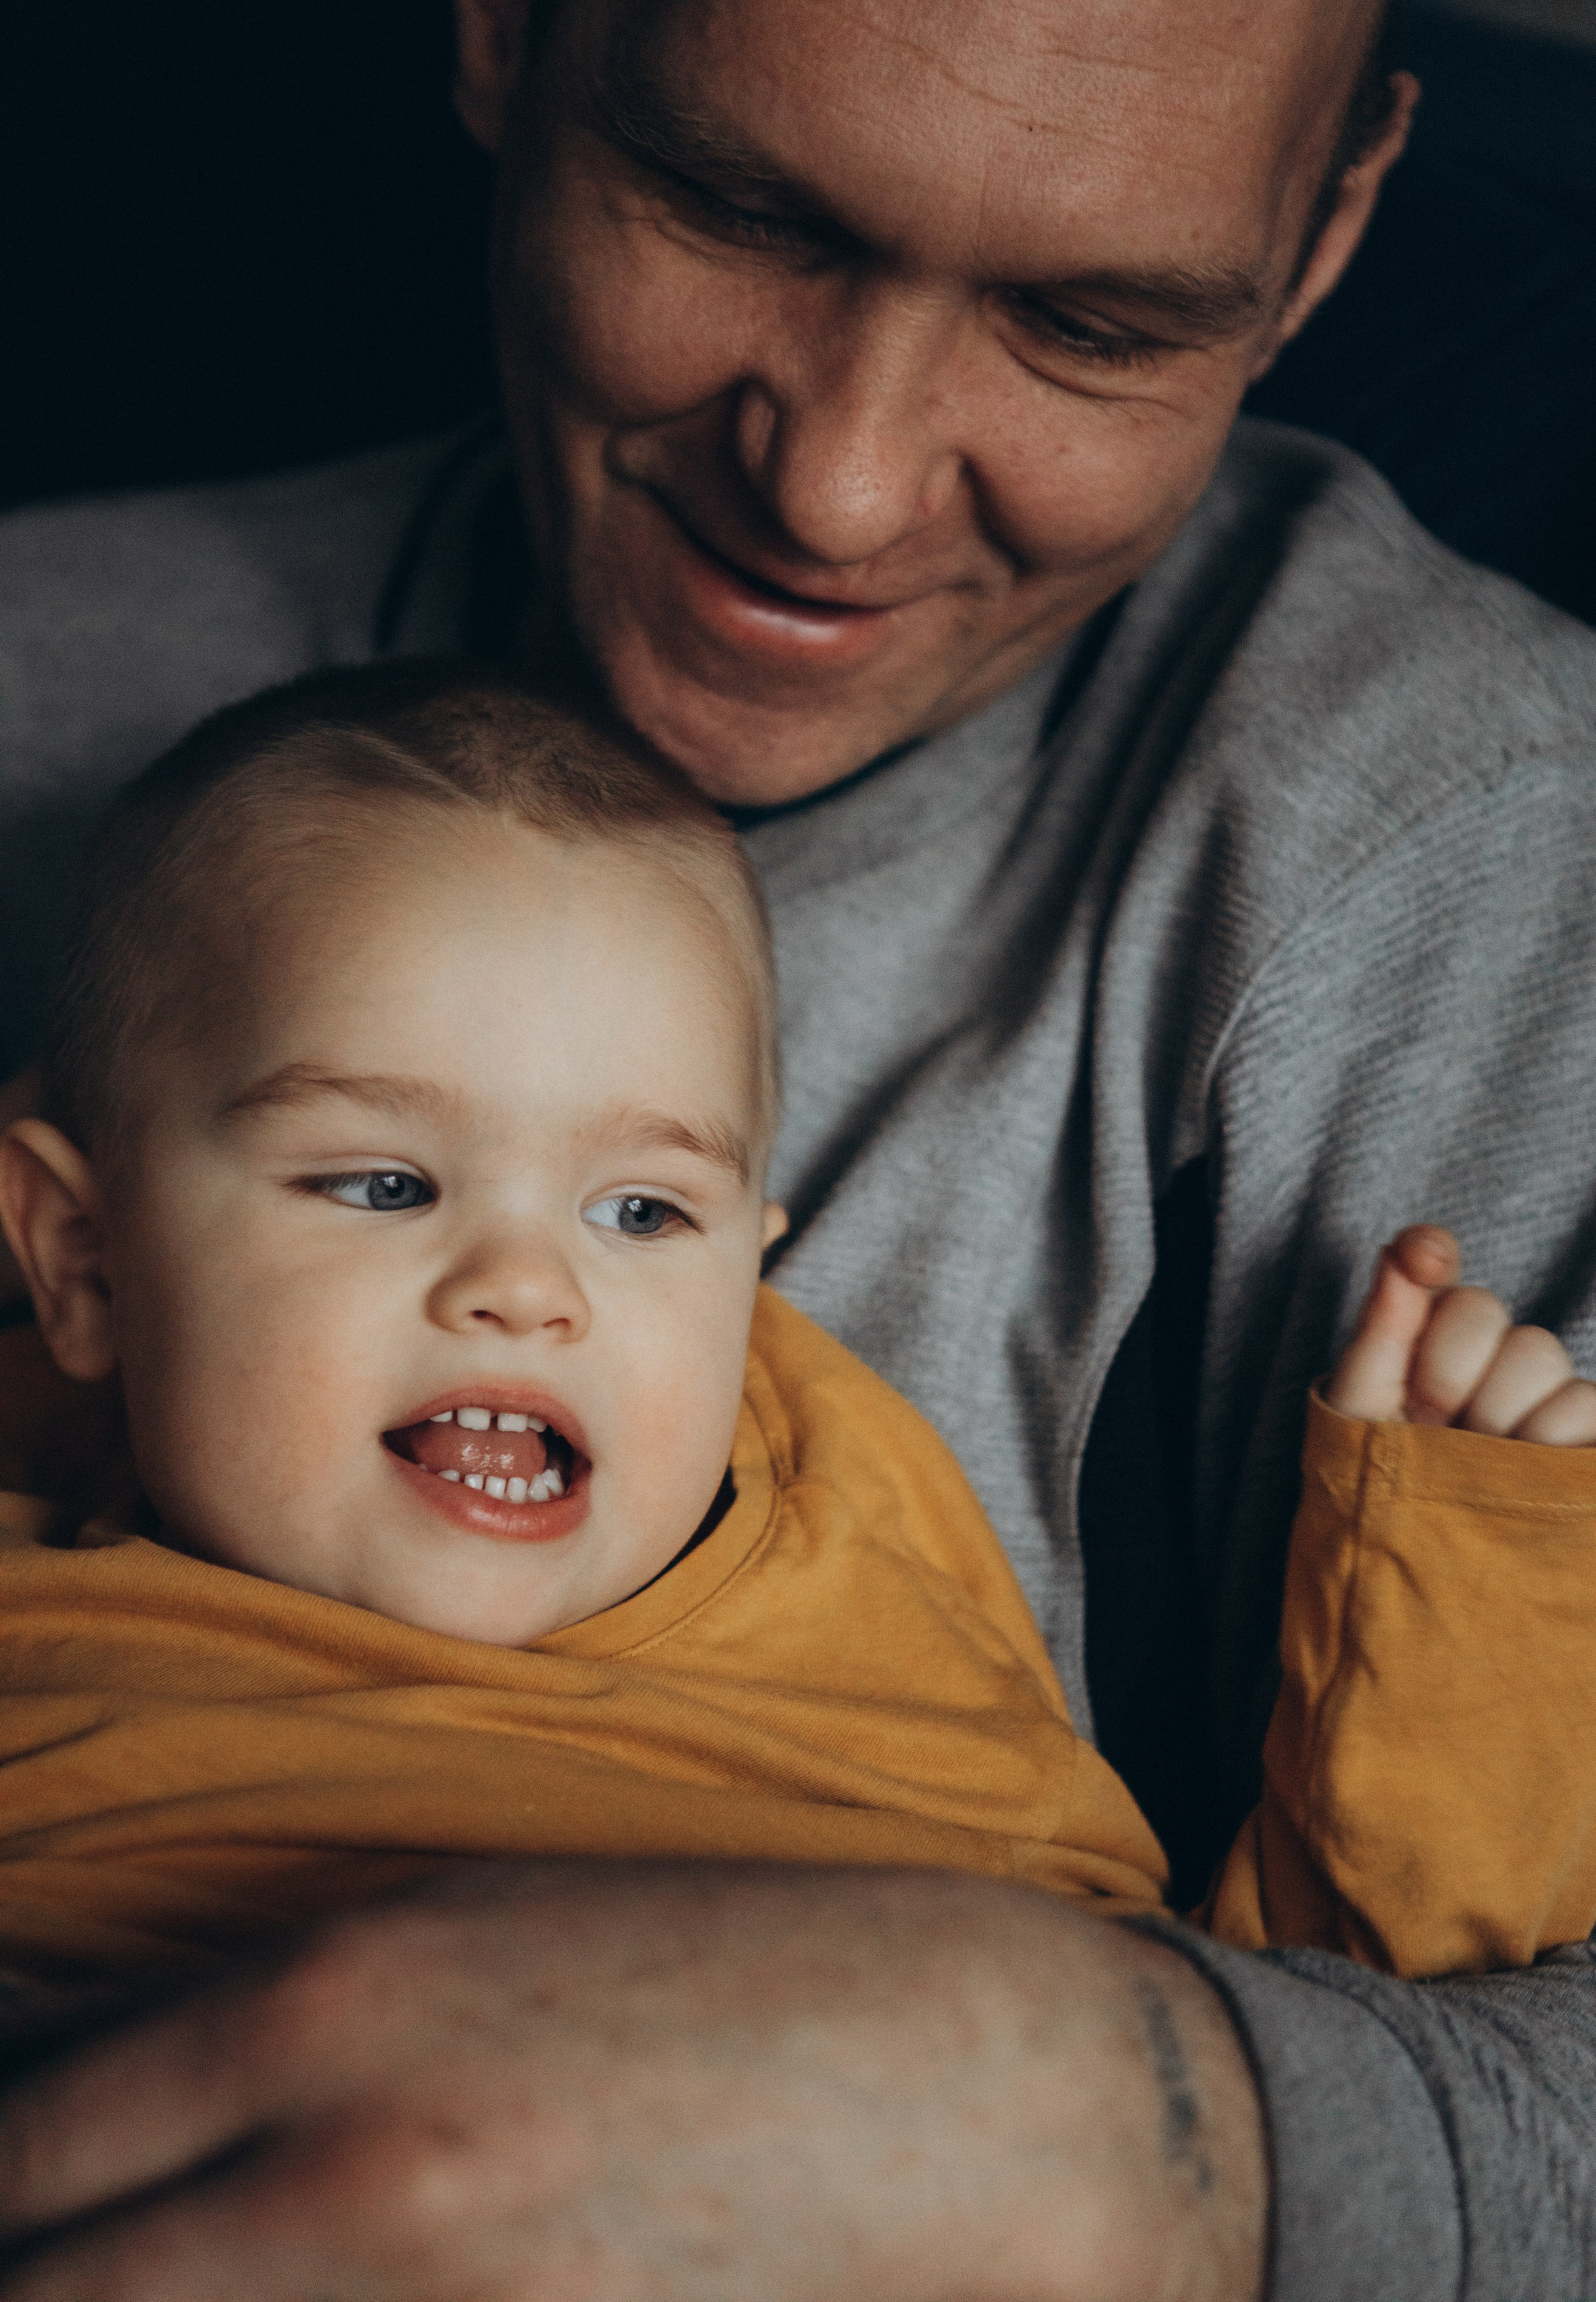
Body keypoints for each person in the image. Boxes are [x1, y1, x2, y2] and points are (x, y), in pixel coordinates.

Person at [1, 0, 1595, 2294]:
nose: (836, 491)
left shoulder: (1475, 853)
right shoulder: (44, 690)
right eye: (740, 210)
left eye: (1090, 324)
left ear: (1330, 229)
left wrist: (1142, 2124)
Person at [1, 659, 1594, 2038]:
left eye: (639, 1213)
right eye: (383, 1183)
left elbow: (1294, 2073)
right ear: (82, 1260)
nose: (524, 1287)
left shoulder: (855, 1597)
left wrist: (1459, 1620)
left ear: (752, 1280)